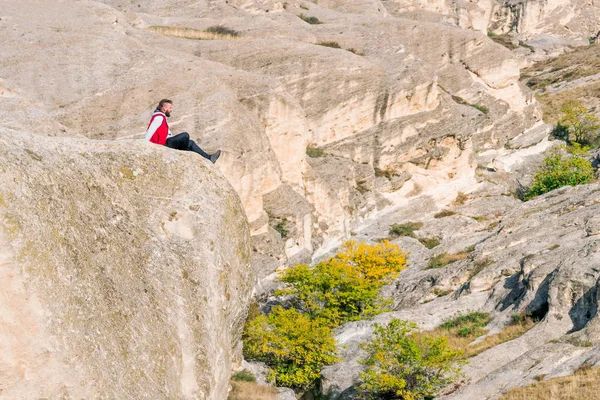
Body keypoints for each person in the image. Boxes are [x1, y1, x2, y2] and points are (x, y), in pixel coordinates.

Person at [145, 99, 221, 164]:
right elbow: (150, 131)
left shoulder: (161, 117)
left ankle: (209, 158)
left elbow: (166, 133)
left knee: (190, 143)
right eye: (170, 108)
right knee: (185, 135)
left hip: (166, 142)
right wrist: (145, 145)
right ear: (164, 108)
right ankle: (184, 153)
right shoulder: (158, 118)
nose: (171, 110)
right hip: (163, 144)